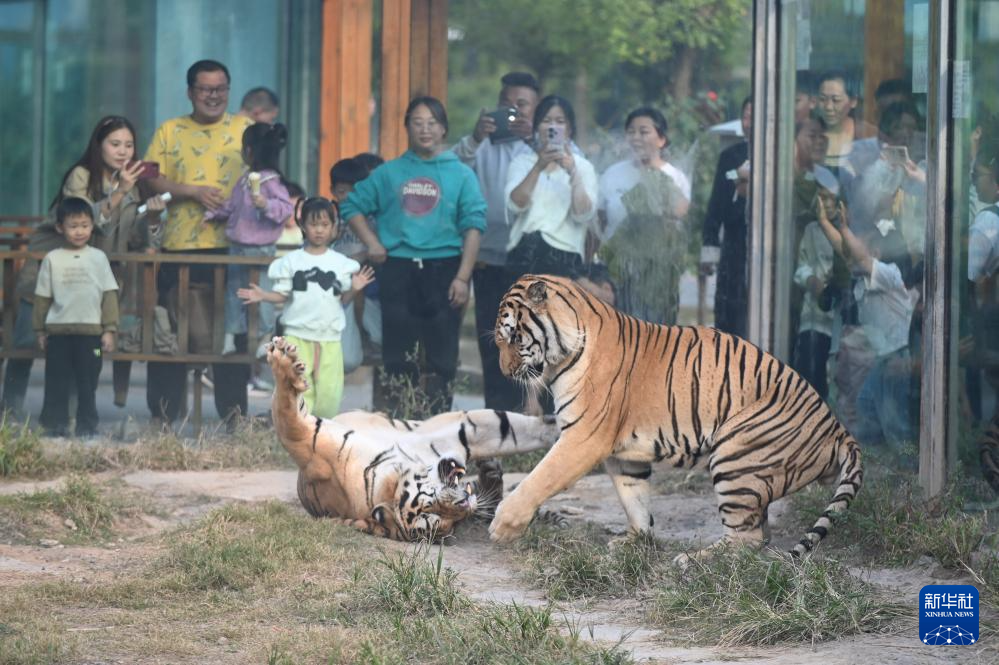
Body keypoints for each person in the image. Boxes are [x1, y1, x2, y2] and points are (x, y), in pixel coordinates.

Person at [0, 115, 165, 417]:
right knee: (23, 346)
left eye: (129, 145)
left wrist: (153, 220)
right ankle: (9, 419)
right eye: (115, 144)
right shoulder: (81, 176)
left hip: (92, 286)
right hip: (50, 273)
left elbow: (139, 239)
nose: (123, 151)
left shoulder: (136, 187)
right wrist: (119, 192)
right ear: (98, 145)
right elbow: (81, 220)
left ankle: (75, 421)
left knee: (85, 353)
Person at [340, 96, 486, 416]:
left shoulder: (460, 174)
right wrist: (372, 243)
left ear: (444, 129)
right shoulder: (390, 173)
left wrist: (463, 277)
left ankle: (438, 423)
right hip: (398, 268)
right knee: (397, 356)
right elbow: (351, 206)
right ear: (406, 127)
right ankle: (401, 423)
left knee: (442, 358)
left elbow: (475, 225)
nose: (425, 130)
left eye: (432, 123)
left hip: (444, 269)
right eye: (417, 123)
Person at [142, 59, 254, 428]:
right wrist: (191, 191)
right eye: (205, 89)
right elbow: (150, 179)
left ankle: (234, 418)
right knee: (171, 332)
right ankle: (164, 416)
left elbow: (266, 175)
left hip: (234, 247)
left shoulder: (245, 128)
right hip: (178, 247)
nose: (213, 95)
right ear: (190, 91)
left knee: (232, 334)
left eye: (220, 88)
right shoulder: (170, 130)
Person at [452, 71, 540, 411]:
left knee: (532, 339)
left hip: (529, 259)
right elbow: (452, 166)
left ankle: (532, 418)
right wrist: (475, 137)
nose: (514, 112)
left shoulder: (541, 147)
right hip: (487, 258)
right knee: (494, 339)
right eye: (507, 104)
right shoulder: (481, 146)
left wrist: (534, 141)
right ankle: (496, 415)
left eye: (523, 105)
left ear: (536, 109)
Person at [239, 198, 374, 417]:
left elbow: (342, 300)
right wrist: (262, 295)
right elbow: (283, 295)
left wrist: (355, 288)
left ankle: (320, 438)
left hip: (329, 336)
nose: (319, 230)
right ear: (303, 225)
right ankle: (296, 439)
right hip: (297, 336)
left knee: (329, 393)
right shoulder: (291, 261)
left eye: (325, 225)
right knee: (296, 391)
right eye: (314, 224)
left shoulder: (341, 263)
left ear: (334, 227)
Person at [815, 197, 920, 453]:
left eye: (860, 245)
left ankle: (907, 471)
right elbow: (847, 251)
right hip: (884, 358)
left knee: (896, 423)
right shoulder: (864, 279)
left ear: (876, 253)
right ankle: (877, 462)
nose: (852, 251)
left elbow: (857, 257)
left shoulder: (887, 274)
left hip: (898, 356)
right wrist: (824, 222)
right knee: (866, 405)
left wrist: (843, 226)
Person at [204, 122, 293, 356]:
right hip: (237, 247)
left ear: (250, 151)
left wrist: (266, 204)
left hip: (262, 250)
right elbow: (232, 207)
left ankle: (265, 336)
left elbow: (285, 209)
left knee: (263, 294)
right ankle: (231, 336)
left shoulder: (271, 181)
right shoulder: (244, 180)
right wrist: (215, 214)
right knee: (234, 294)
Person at [33, 197, 119, 437]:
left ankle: (87, 428)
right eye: (73, 226)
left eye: (84, 225)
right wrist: (40, 331)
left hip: (91, 335)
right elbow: (42, 298)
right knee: (56, 382)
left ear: (92, 226)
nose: (80, 231)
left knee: (88, 382)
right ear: (60, 227)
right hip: (58, 334)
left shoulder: (98, 258)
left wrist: (109, 329)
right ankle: (53, 428)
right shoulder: (52, 258)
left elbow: (109, 294)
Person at [597, 106, 691, 323]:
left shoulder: (673, 177)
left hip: (657, 278)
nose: (636, 137)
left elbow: (679, 213)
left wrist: (652, 177)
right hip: (617, 273)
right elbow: (600, 224)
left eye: (644, 131)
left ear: (661, 139)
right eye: (631, 132)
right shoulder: (613, 174)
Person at [505, 94, 598, 282]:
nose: (552, 127)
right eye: (546, 121)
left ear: (569, 129)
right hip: (524, 256)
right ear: (536, 128)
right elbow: (515, 204)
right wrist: (538, 166)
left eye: (560, 121)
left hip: (564, 259)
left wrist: (573, 172)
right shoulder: (522, 163)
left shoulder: (582, 167)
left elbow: (583, 214)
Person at [702, 96, 752, 337]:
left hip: (766, 243)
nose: (750, 122)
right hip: (734, 240)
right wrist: (709, 247)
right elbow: (716, 204)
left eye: (756, 116)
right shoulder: (730, 155)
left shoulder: (783, 155)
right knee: (730, 306)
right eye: (746, 116)